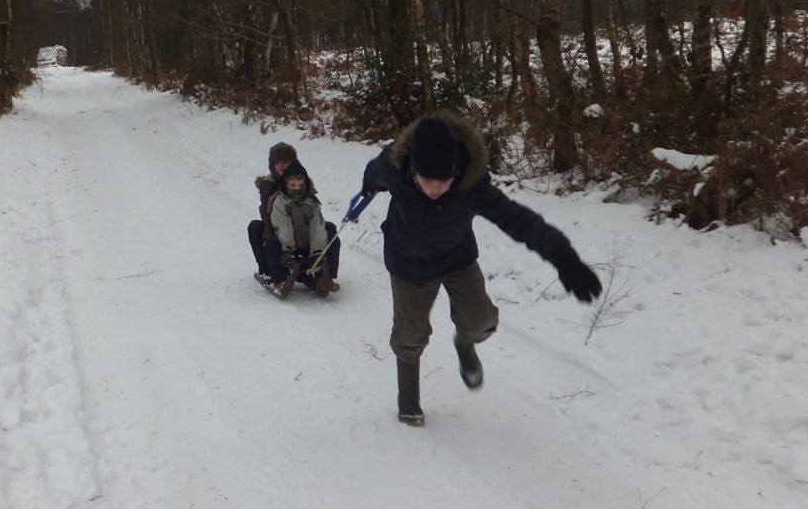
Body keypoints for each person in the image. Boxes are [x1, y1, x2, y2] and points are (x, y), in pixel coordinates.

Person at [355, 111, 602, 426]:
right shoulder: (394, 166)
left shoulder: (472, 185)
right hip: (408, 264)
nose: (434, 189)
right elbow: (373, 171)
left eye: (443, 180)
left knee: (481, 321)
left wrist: (564, 258)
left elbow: (519, 220)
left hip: (457, 259)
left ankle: (465, 344)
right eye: (426, 180)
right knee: (409, 336)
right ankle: (409, 400)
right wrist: (368, 186)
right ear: (412, 169)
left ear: (456, 171)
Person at [264, 162, 341, 297]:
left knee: (331, 231)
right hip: (286, 244)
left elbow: (317, 226)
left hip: (307, 243)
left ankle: (324, 278)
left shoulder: (311, 202)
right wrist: (287, 249)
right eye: (292, 185)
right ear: (286, 185)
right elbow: (282, 226)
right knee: (272, 242)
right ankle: (279, 279)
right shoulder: (280, 201)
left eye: (300, 185)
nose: (296, 189)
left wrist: (317, 251)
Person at [248, 141, 298, 282]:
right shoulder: (268, 184)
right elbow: (265, 211)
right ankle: (268, 272)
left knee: (330, 229)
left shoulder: (301, 181)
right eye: (278, 162)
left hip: (300, 227)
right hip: (275, 225)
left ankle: (324, 277)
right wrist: (273, 229)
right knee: (256, 228)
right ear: (273, 164)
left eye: (285, 162)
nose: (281, 165)